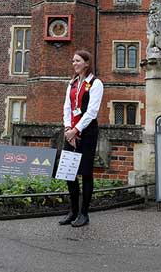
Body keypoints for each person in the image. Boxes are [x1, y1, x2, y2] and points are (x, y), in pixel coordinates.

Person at [58, 50, 104, 228]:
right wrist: (68, 128)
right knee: (69, 173)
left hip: (87, 132)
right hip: (71, 133)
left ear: (86, 63)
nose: (74, 63)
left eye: (77, 61)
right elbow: (67, 108)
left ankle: (84, 214)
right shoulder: (72, 84)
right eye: (73, 60)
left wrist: (77, 129)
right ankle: (73, 211)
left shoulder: (95, 83)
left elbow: (92, 111)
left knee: (85, 173)